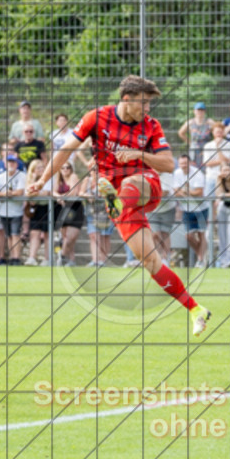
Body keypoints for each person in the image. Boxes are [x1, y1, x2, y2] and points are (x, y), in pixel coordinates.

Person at [27, 75, 209, 335]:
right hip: (115, 197)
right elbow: (66, 150)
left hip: (144, 186)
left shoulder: (151, 126)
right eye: (143, 103)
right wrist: (43, 180)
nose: (147, 109)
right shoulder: (97, 118)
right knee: (151, 262)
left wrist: (138, 154)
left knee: (131, 182)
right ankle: (195, 310)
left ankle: (118, 201)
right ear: (127, 99)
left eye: (149, 104)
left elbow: (168, 164)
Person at [173, 155, 209, 268]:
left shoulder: (198, 173)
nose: (183, 165)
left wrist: (185, 191)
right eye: (181, 163)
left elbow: (199, 192)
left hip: (201, 208)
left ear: (190, 163)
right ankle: (201, 255)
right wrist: (189, 192)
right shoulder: (177, 173)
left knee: (201, 234)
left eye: (185, 163)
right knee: (188, 236)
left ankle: (201, 260)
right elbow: (175, 192)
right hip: (187, 209)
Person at [0, 156, 26, 266]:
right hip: (3, 210)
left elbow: (20, 191)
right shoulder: (0, 177)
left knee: (15, 234)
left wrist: (9, 194)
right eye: (9, 162)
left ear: (17, 164)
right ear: (5, 164)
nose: (11, 164)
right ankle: (12, 256)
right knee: (9, 235)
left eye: (13, 162)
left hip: (16, 210)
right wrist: (4, 194)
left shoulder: (21, 176)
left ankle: (16, 257)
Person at [54, 162, 86, 267]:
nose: (65, 169)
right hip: (63, 209)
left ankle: (62, 256)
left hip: (75, 209)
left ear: (71, 169)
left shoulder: (73, 176)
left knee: (70, 238)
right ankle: (72, 260)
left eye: (67, 167)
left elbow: (73, 192)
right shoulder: (58, 180)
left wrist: (61, 196)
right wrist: (58, 196)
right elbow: (53, 192)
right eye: (62, 167)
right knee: (65, 237)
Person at [81, 170, 114, 267]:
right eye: (94, 170)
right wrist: (88, 195)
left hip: (105, 213)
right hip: (92, 212)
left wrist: (102, 195)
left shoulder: (106, 180)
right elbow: (81, 192)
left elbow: (112, 194)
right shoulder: (87, 180)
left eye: (98, 170)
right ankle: (95, 260)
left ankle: (103, 261)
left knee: (105, 236)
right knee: (93, 235)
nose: (96, 172)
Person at [23, 159, 51, 266]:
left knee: (47, 234)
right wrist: (34, 181)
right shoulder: (30, 180)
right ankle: (32, 258)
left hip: (48, 207)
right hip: (35, 209)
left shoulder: (48, 179)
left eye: (42, 167)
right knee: (34, 233)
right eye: (38, 168)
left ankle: (47, 259)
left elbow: (47, 193)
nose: (41, 169)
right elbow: (28, 195)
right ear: (33, 170)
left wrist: (35, 193)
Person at [177, 102, 214, 168]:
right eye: (198, 110)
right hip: (194, 150)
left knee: (207, 167)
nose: (200, 112)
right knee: (194, 168)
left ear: (204, 111)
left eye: (202, 110)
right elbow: (181, 133)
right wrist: (190, 142)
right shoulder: (190, 122)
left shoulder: (209, 121)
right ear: (194, 111)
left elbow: (218, 130)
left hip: (206, 149)